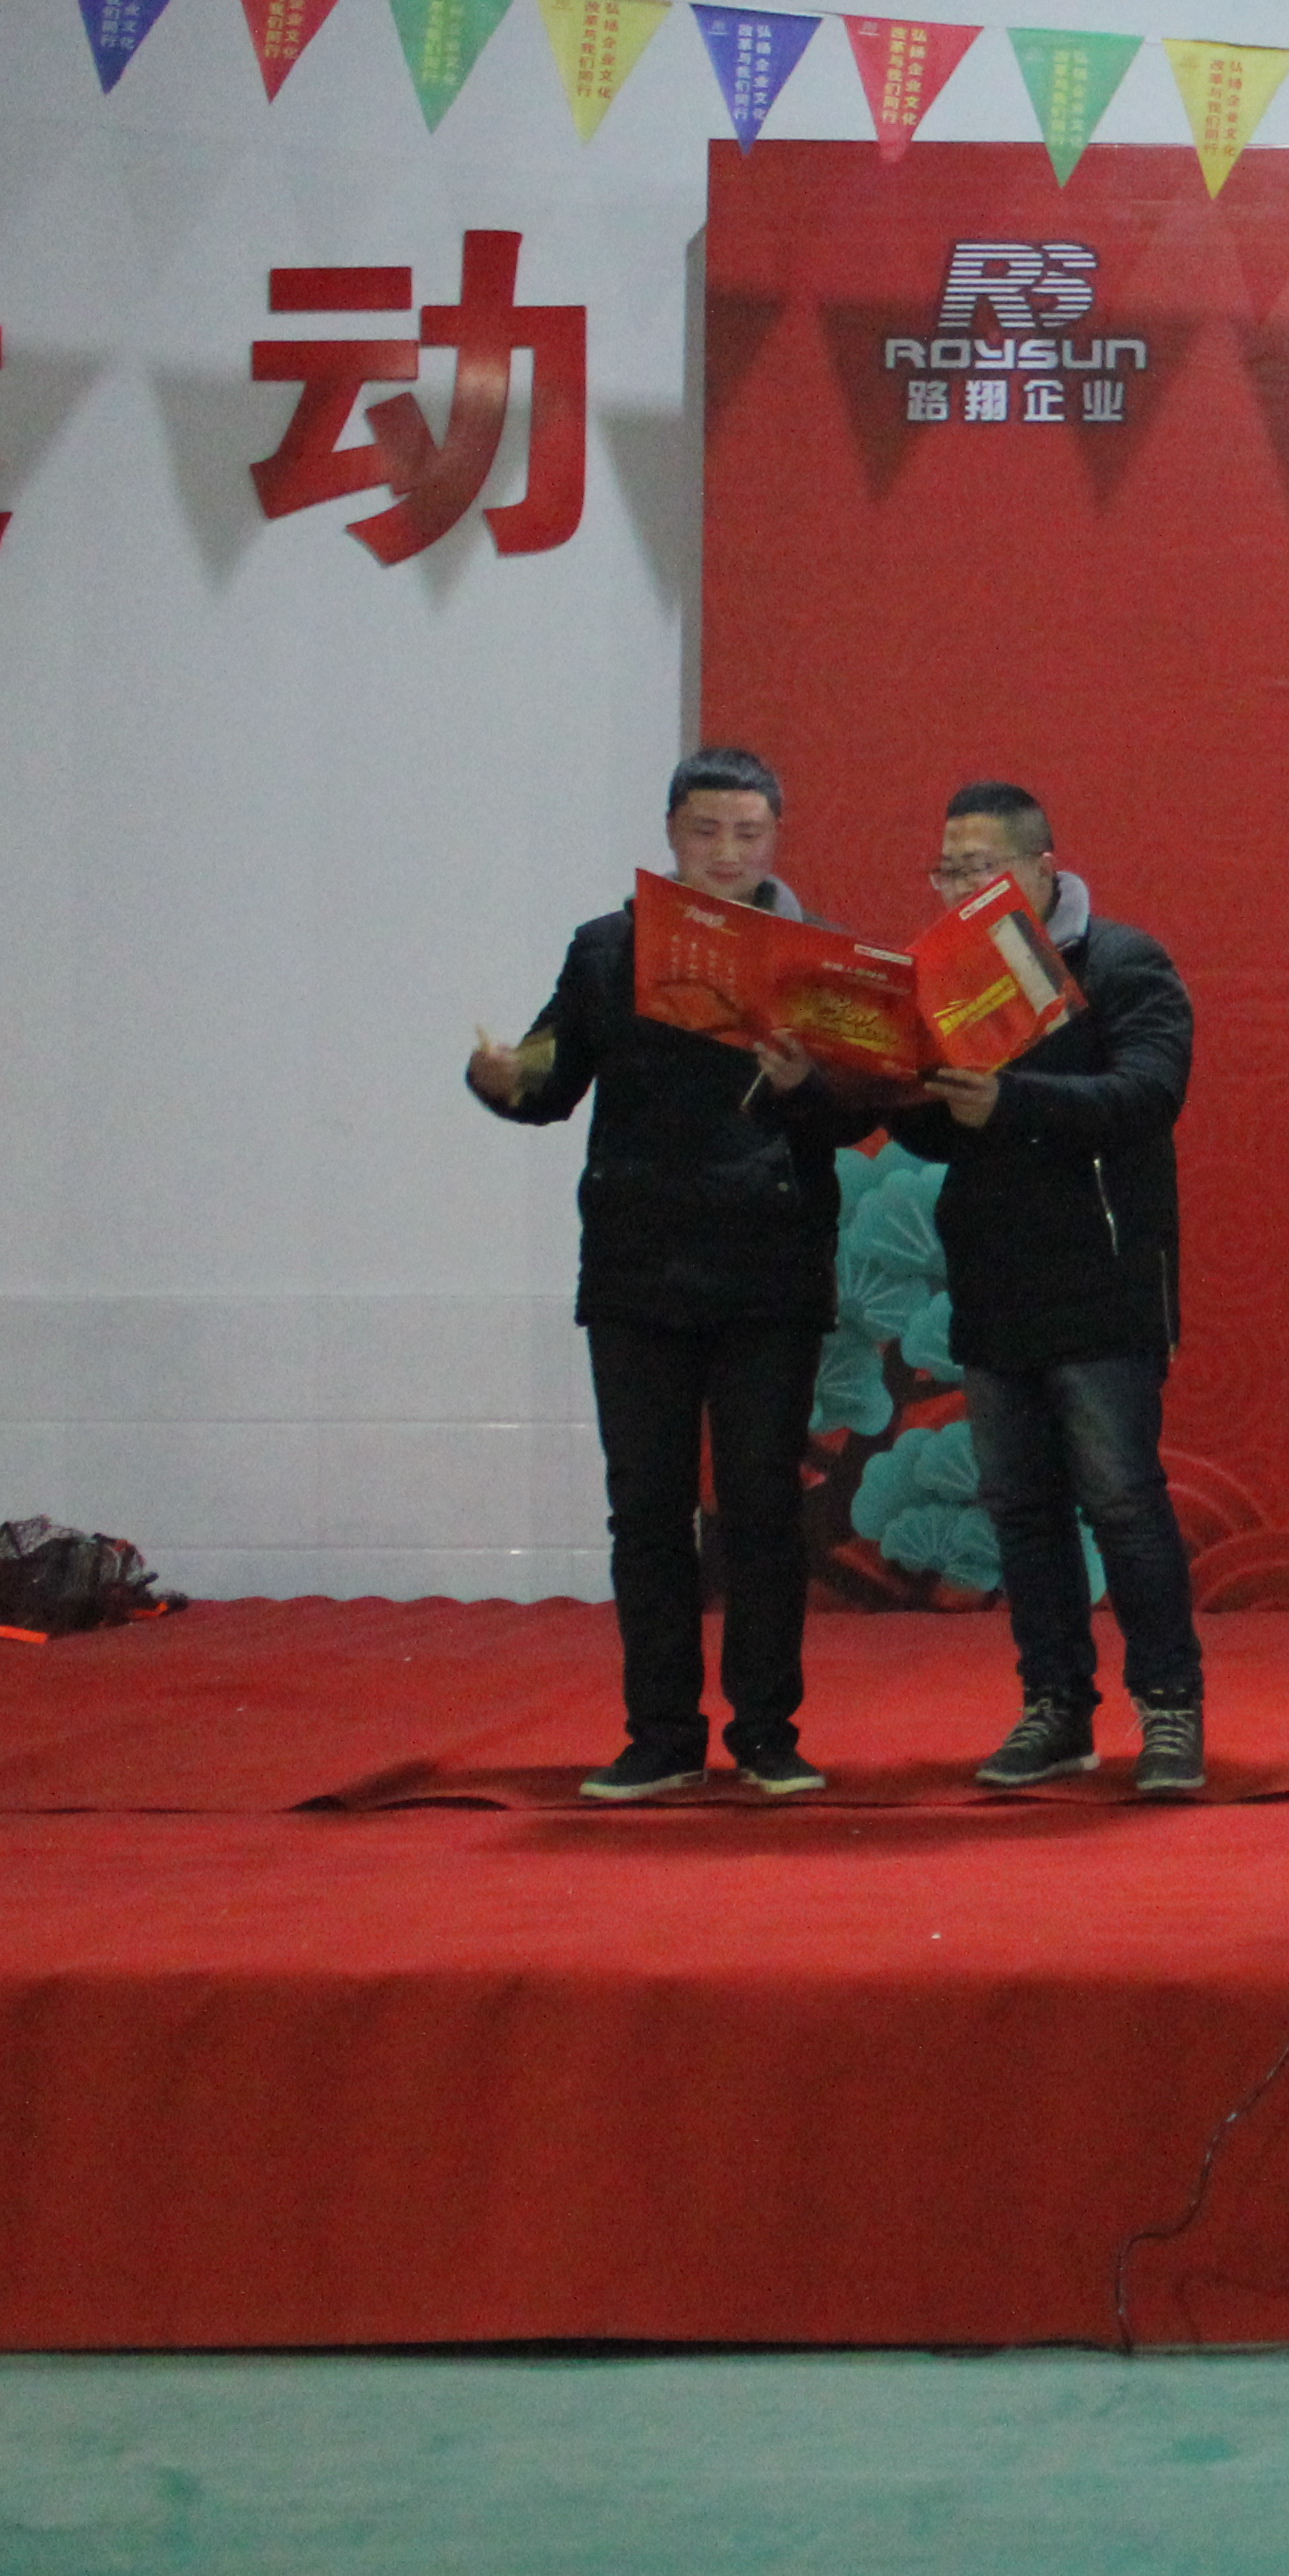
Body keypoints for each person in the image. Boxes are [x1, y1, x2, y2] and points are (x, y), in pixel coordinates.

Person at [467, 745, 875, 1802]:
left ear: (774, 840)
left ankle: (768, 1732)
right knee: (644, 1510)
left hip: (769, 1266)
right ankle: (660, 1734)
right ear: (670, 834)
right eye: (706, 831)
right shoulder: (609, 949)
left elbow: (857, 1117)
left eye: (748, 833)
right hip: (637, 1264)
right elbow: (549, 1079)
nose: (727, 852)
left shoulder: (818, 956)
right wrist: (498, 1078)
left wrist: (802, 1085)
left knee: (762, 1508)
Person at [899, 783, 1210, 1796]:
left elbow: (1148, 1095)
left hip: (1104, 1275)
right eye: (948, 870)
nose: (961, 886)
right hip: (994, 1276)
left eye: (980, 868)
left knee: (1122, 1501)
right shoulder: (941, 980)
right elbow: (937, 1133)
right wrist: (888, 1083)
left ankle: (1169, 1709)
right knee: (1022, 1510)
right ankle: (1056, 1708)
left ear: (1041, 869)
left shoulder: (1122, 961)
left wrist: (1010, 1099)